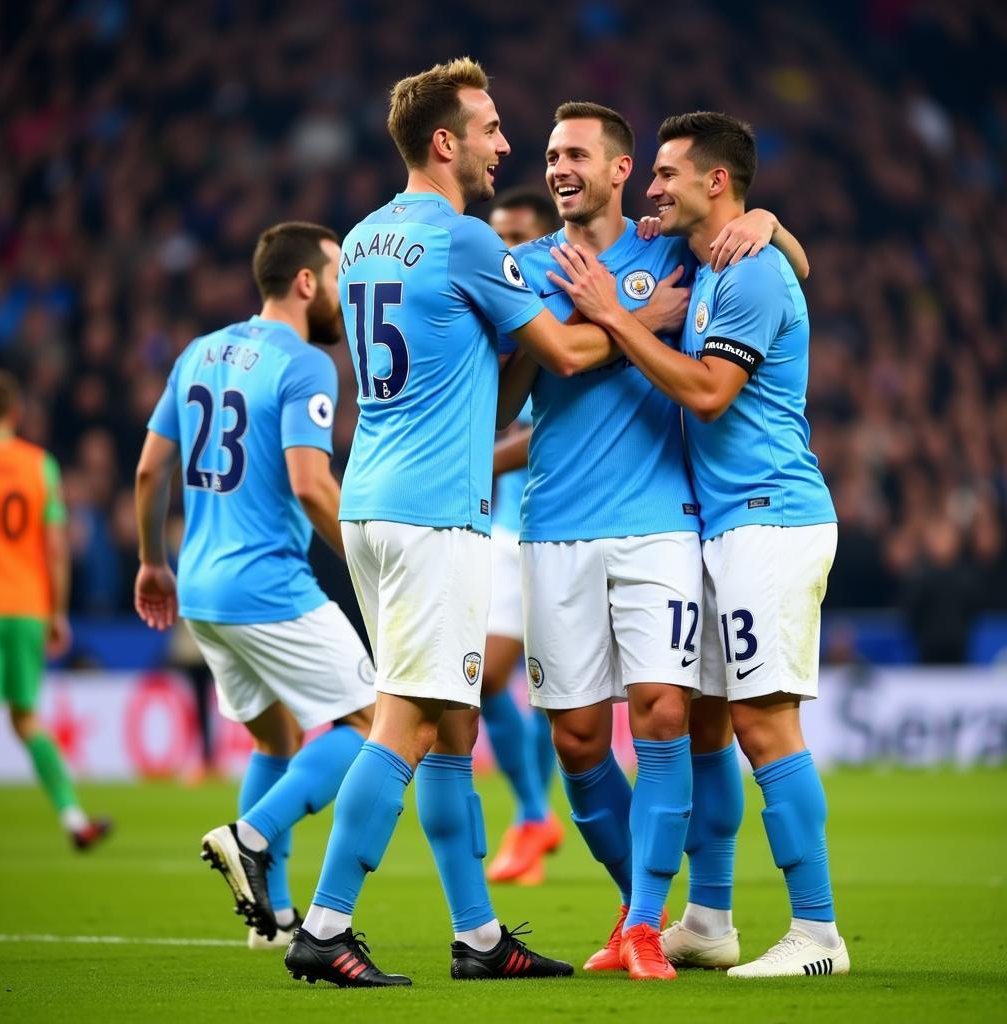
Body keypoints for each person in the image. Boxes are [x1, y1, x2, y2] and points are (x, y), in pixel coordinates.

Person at [284, 57, 621, 990]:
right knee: (402, 721)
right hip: (436, 515)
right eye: (491, 128)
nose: (504, 145)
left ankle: (477, 936)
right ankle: (325, 925)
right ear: (445, 142)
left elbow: (483, 377)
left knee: (453, 721)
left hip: (373, 501)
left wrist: (524, 337)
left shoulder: (361, 241)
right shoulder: (468, 240)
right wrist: (640, 315)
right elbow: (563, 352)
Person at [497, 103, 808, 981]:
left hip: (658, 523)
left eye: (576, 155)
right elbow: (524, 384)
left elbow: (791, 268)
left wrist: (766, 219)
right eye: (551, 154)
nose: (559, 167)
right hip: (552, 524)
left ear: (622, 169)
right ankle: (645, 902)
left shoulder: (669, 249)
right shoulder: (524, 267)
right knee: (578, 744)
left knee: (666, 713)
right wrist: (596, 329)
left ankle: (641, 924)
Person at [134, 222, 376, 950]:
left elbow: (150, 471)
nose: (343, 292)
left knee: (275, 734)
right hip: (268, 585)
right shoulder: (303, 365)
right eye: (336, 276)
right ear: (306, 281)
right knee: (374, 724)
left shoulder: (197, 353)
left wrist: (152, 562)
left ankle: (270, 920)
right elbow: (310, 484)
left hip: (201, 592)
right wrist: (368, 563)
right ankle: (252, 833)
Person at [0, 369, 111, 854]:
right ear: (15, 414)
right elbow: (56, 547)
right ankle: (75, 819)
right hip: (27, 607)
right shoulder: (39, 465)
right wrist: (57, 613)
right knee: (26, 719)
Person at [482, 188, 564, 886]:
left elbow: (548, 432)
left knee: (510, 682)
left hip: (539, 525)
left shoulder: (548, 302)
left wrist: (474, 455)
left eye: (514, 236)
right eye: (495, 235)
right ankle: (534, 817)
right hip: (505, 527)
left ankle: (535, 816)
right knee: (519, 685)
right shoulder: (496, 312)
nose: (502, 248)